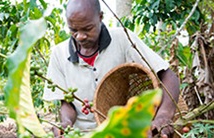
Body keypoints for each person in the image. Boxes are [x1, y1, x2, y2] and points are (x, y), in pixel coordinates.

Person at [43, 0, 180, 137]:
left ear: (100, 17)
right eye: (73, 30)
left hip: (123, 130)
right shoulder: (59, 54)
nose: (80, 36)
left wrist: (163, 115)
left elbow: (168, 76)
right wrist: (65, 123)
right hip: (84, 134)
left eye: (87, 29)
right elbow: (67, 104)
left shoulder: (122, 39)